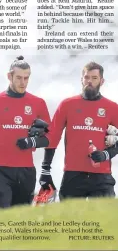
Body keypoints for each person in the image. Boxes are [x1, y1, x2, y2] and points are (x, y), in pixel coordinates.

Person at [0, 56, 51, 209]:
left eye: (26, 78)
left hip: (26, 171)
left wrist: (32, 142)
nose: (23, 82)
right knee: (3, 216)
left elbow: (50, 137)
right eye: (18, 77)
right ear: (9, 76)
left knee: (21, 219)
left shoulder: (38, 103)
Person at [40, 62, 118, 199]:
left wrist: (106, 154)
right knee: (69, 220)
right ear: (81, 79)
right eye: (87, 77)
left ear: (102, 81)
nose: (90, 81)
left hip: (102, 177)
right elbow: (53, 136)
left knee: (106, 219)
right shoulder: (67, 105)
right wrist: (45, 169)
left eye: (94, 78)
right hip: (73, 175)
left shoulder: (112, 108)